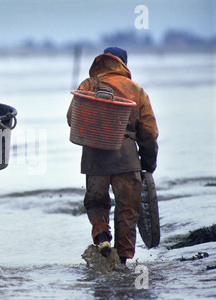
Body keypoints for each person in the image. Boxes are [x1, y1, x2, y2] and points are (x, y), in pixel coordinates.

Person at [67, 47, 159, 265]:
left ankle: (102, 238)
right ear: (124, 64)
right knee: (127, 209)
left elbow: (73, 118)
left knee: (96, 203)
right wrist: (148, 164)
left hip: (94, 158)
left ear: (101, 62)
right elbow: (149, 133)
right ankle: (124, 260)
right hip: (126, 160)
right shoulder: (136, 90)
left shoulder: (89, 85)